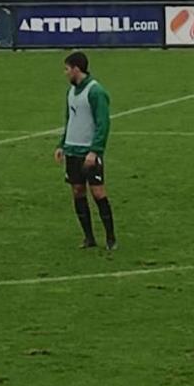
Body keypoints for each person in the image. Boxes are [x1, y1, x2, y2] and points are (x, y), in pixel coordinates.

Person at [54, 51, 117, 250]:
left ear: (76, 69)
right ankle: (89, 238)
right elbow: (69, 121)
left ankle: (110, 238)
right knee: (77, 191)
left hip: (88, 152)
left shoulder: (96, 91)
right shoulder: (70, 92)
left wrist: (95, 150)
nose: (65, 73)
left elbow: (103, 124)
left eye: (66, 69)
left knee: (98, 192)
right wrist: (61, 144)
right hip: (72, 150)